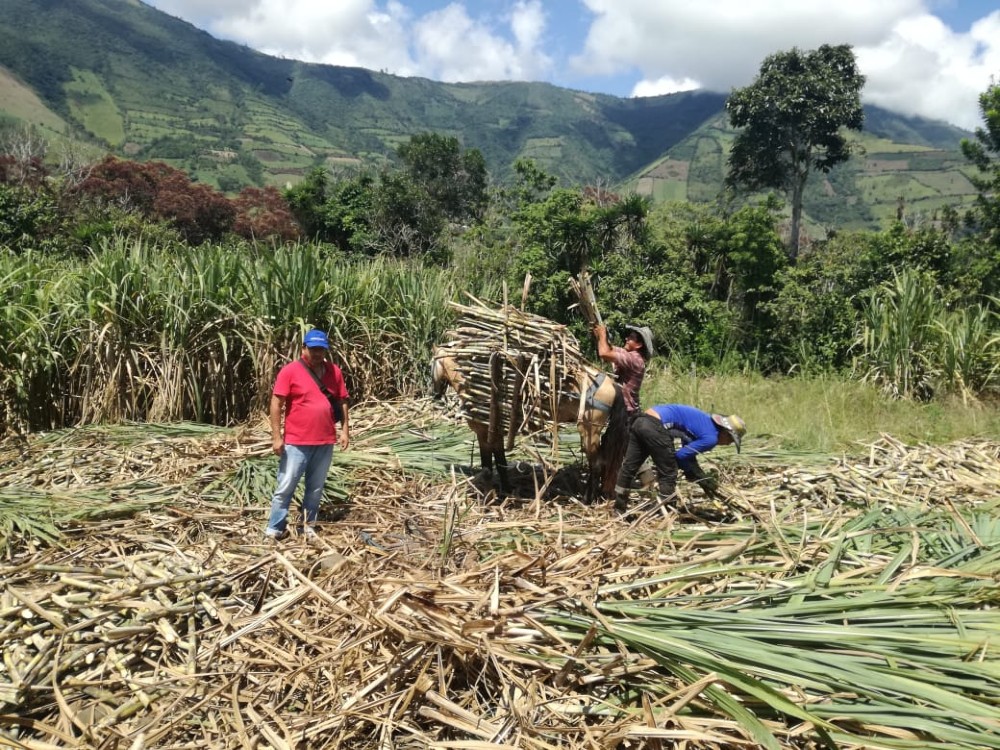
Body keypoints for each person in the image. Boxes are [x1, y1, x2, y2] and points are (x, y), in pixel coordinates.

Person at [264, 329, 350, 540]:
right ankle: (275, 528)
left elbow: (343, 400)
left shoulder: (334, 371)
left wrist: (345, 430)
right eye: (313, 349)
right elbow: (276, 403)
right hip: (296, 442)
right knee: (286, 486)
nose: (317, 353)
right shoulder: (290, 371)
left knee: (315, 488)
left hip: (325, 441)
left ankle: (307, 526)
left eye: (321, 349)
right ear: (303, 348)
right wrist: (276, 437)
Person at [613, 404, 745, 515]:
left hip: (640, 421)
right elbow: (680, 456)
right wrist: (692, 472)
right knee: (669, 473)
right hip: (654, 426)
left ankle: (619, 509)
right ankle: (664, 513)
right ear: (725, 432)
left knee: (629, 468)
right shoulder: (711, 438)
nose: (728, 444)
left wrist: (694, 470)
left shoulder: (704, 421)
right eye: (731, 440)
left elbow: (686, 446)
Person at [593, 323, 654, 416]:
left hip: (627, 411)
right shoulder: (629, 354)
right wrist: (599, 336)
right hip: (621, 407)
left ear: (638, 345)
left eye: (631, 338)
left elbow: (604, 353)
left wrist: (602, 334)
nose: (627, 339)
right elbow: (610, 348)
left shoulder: (635, 359)